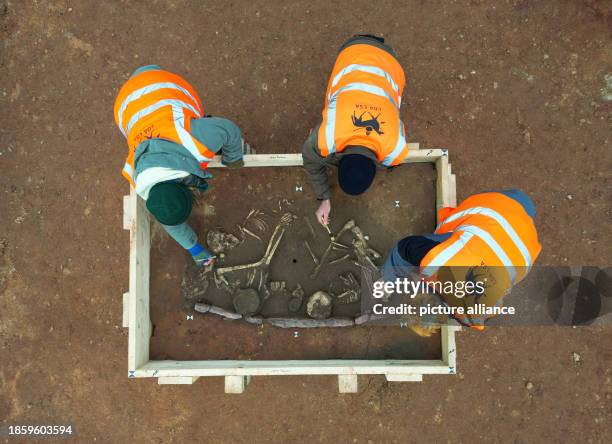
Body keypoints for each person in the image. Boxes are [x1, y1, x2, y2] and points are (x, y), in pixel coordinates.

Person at [113, 65, 252, 266]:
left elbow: (228, 129)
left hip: (162, 84)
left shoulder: (194, 139)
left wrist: (233, 159)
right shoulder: (146, 184)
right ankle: (141, 76)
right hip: (126, 104)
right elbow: (169, 217)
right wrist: (195, 249)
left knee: (213, 133)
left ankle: (147, 74)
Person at [382, 190, 542, 335]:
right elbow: (403, 249)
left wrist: (387, 282)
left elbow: (404, 249)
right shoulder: (439, 263)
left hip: (524, 248)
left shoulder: (476, 316)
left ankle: (525, 209)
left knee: (521, 205)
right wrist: (388, 280)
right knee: (520, 204)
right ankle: (524, 208)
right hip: (507, 226)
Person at [303, 34, 410, 226]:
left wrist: (324, 198)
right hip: (361, 55)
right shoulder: (328, 137)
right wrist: (324, 198)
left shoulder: (396, 149)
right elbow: (310, 160)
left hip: (382, 60)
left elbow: (314, 161)